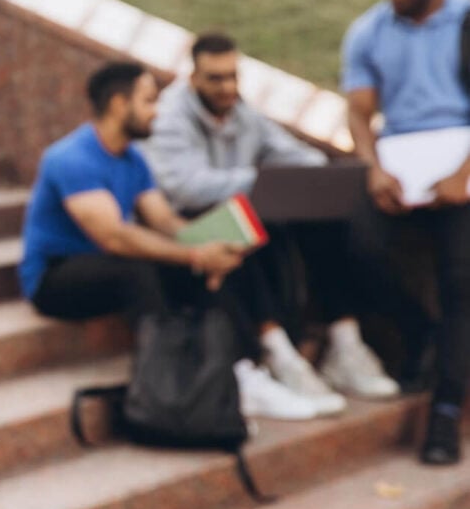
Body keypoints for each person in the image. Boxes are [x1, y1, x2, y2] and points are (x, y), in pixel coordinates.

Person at [19, 60, 328, 421]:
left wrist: (214, 246)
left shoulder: (133, 157)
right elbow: (114, 237)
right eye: (149, 101)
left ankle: (250, 365)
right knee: (141, 270)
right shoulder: (71, 157)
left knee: (224, 258)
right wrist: (194, 255)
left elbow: (164, 221)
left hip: (110, 263)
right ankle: (174, 384)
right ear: (119, 104)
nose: (158, 112)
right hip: (54, 278)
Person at [142, 32, 400, 408]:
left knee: (322, 217)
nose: (227, 87)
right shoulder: (170, 117)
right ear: (193, 77)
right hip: (186, 228)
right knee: (247, 221)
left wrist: (312, 178)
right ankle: (277, 352)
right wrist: (261, 182)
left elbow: (296, 154)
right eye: (215, 78)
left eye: (233, 76)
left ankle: (344, 341)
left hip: (242, 211)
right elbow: (186, 188)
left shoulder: (241, 110)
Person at [342, 0, 470, 465]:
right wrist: (373, 168)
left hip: (462, 156)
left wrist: (462, 173)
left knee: (461, 279)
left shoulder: (465, 19)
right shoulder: (369, 30)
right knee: (357, 248)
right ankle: (420, 331)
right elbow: (358, 111)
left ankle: (446, 410)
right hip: (399, 159)